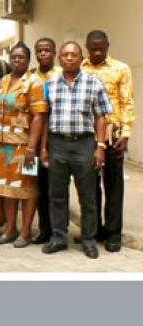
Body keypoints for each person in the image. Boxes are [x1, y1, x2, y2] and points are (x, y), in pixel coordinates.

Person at [41, 41, 112, 259]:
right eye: (65, 55)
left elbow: (101, 116)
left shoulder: (94, 83)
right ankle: (58, 238)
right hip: (57, 144)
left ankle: (89, 240)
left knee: (88, 196)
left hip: (84, 144)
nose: (69, 58)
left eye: (74, 54)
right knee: (57, 195)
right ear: (59, 59)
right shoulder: (50, 85)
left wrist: (100, 147)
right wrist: (43, 147)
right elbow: (44, 118)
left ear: (81, 58)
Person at [81, 30, 135, 253]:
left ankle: (113, 234)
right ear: (86, 47)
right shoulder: (80, 69)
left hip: (113, 134)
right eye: (92, 48)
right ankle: (94, 231)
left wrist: (125, 134)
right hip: (86, 135)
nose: (96, 52)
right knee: (89, 186)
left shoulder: (121, 69)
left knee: (113, 185)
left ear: (107, 46)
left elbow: (127, 102)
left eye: (100, 48)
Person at [0, 42, 48, 248]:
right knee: (6, 189)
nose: (16, 60)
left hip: (25, 146)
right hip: (4, 144)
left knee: (28, 190)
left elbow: (39, 117)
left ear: (28, 60)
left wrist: (33, 147)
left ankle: (25, 232)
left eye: (21, 57)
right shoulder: (4, 80)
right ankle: (10, 229)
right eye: (13, 57)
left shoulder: (35, 82)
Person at [30, 37, 62, 245]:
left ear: (54, 53)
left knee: (56, 188)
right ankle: (44, 230)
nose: (43, 54)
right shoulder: (31, 76)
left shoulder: (61, 75)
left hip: (56, 139)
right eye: (39, 51)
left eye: (47, 50)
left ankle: (59, 231)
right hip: (33, 139)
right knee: (38, 186)